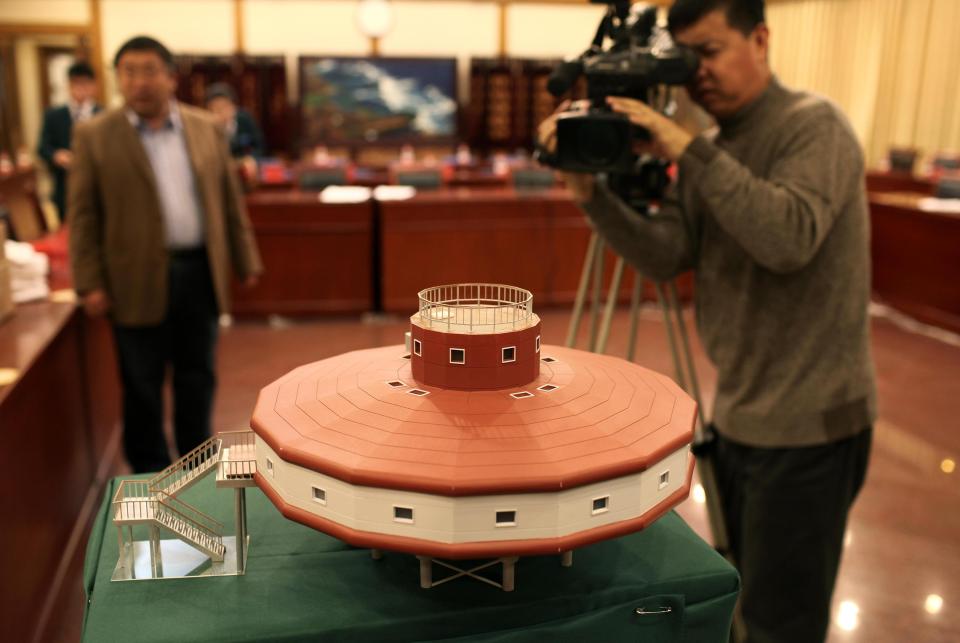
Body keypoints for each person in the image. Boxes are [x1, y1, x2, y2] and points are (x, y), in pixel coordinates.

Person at [539, 1, 875, 641]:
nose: (699, 75)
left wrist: (685, 147)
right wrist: (594, 197)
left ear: (761, 38)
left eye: (712, 52)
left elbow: (786, 237)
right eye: (687, 59)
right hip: (744, 413)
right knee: (746, 596)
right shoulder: (710, 148)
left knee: (782, 622)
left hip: (813, 424)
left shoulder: (814, 127)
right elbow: (667, 255)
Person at [68, 36, 263, 474]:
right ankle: (150, 476)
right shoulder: (94, 136)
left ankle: (198, 466)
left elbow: (228, 200)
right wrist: (89, 282)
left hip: (197, 272)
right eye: (129, 71)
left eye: (149, 70)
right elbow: (82, 216)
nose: (139, 82)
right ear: (118, 79)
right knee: (141, 385)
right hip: (131, 278)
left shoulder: (204, 127)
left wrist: (245, 259)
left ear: (171, 77)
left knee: (198, 376)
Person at [36, 61, 101, 222]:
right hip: (64, 186)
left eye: (85, 83)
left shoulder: (104, 115)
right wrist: (57, 155)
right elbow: (42, 147)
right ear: (69, 85)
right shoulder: (54, 115)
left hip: (98, 187)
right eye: (76, 83)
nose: (80, 88)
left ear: (93, 86)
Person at [204, 82, 266, 159]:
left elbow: (259, 146)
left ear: (233, 107)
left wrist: (252, 159)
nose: (221, 113)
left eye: (224, 107)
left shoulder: (244, 119)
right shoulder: (205, 128)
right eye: (216, 109)